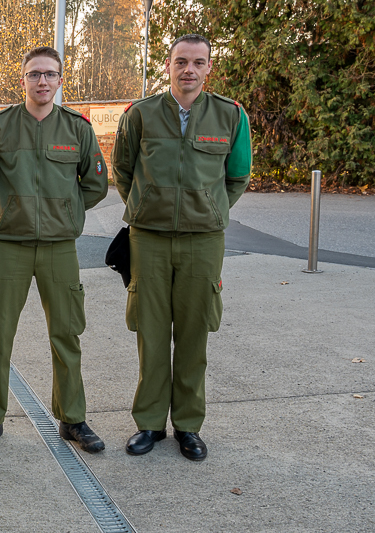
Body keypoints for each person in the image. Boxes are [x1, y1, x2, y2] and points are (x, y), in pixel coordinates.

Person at [112, 33, 252, 461]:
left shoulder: (231, 115)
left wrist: (208, 209)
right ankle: (150, 424)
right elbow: (123, 170)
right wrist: (147, 208)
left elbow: (238, 175)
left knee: (194, 337)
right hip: (149, 240)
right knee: (151, 335)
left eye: (198, 62)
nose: (189, 69)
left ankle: (188, 426)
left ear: (209, 68)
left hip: (203, 242)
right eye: (181, 61)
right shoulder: (140, 114)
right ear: (168, 66)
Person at [0, 46, 109, 453]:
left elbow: (95, 184)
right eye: (34, 74)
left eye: (49, 74)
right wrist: (5, 210)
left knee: (66, 333)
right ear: (23, 81)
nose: (42, 81)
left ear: (60, 80)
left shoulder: (77, 129)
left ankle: (73, 418)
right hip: (9, 246)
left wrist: (65, 212)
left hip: (59, 247)